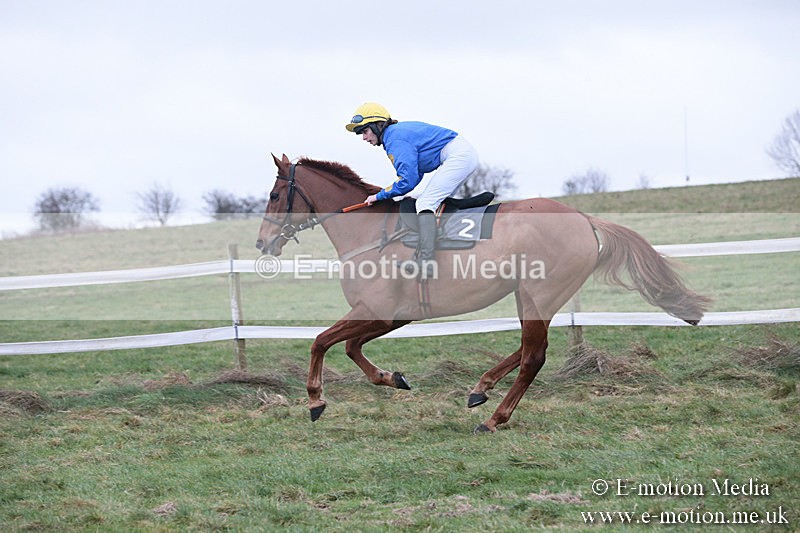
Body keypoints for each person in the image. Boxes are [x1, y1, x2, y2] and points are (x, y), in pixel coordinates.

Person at [346, 102, 479, 278]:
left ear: (378, 125)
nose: (364, 137)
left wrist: (379, 196)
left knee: (425, 203)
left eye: (365, 131)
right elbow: (414, 177)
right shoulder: (395, 135)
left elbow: (407, 180)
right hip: (460, 154)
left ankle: (426, 261)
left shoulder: (395, 139)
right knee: (427, 200)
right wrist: (393, 193)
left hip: (458, 156)